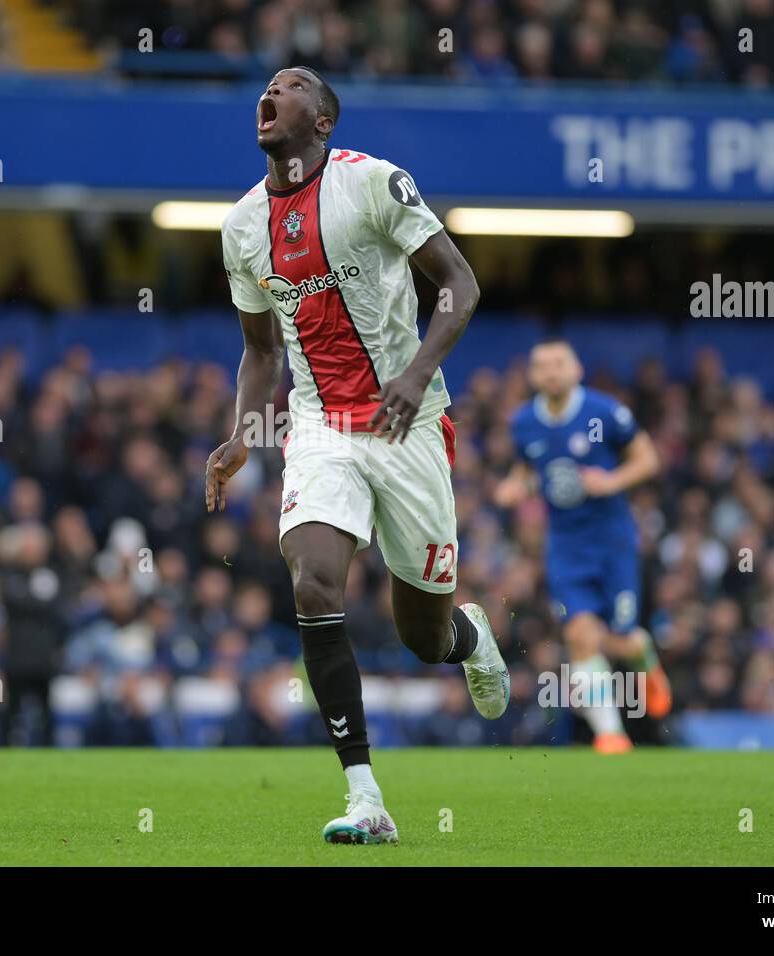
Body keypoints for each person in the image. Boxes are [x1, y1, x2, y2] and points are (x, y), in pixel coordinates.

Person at [208, 67, 508, 845]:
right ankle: (366, 796)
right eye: (266, 87)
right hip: (320, 428)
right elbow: (260, 351)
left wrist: (413, 376)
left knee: (422, 638)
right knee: (311, 582)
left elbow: (460, 285)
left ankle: (468, 636)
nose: (270, 95)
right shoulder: (242, 226)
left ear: (325, 120)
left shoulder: (373, 182)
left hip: (409, 424)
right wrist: (243, 431)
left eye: (292, 85)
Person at [496, 340, 671, 752]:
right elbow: (525, 469)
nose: (551, 371)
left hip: (613, 542)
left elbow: (648, 460)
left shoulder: (605, 412)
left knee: (620, 637)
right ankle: (610, 733)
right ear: (533, 376)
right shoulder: (523, 422)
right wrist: (513, 486)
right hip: (565, 546)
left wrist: (610, 482)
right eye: (542, 365)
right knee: (578, 632)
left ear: (576, 369)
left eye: (559, 363)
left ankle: (642, 653)